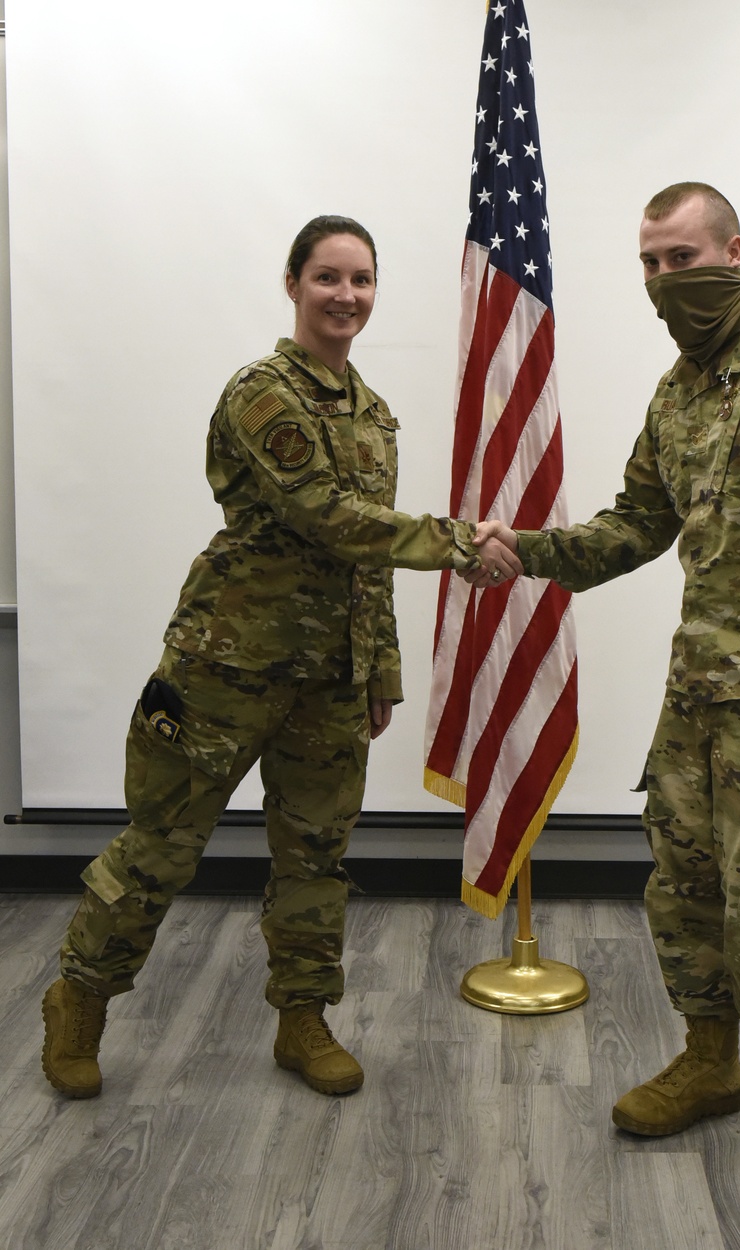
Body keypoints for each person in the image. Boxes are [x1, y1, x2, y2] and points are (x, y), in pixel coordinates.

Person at [472, 183, 740, 1179]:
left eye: (682, 256)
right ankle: (710, 1063)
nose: (666, 279)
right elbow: (634, 525)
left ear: (733, 250)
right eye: (650, 263)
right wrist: (527, 551)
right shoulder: (677, 391)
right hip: (700, 694)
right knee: (685, 895)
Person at [41, 215, 521, 1101]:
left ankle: (303, 1018)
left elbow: (363, 559)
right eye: (329, 278)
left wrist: (378, 673)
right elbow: (327, 516)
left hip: (328, 684)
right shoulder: (263, 394)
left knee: (315, 859)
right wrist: (459, 543)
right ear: (294, 284)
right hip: (225, 670)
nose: (347, 297)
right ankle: (80, 999)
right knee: (161, 850)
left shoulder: (373, 414)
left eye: (362, 281)